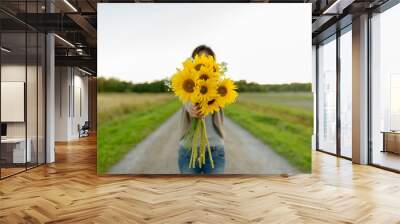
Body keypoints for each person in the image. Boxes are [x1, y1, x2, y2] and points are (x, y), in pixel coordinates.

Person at [178, 45, 225, 174]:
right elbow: (185, 100)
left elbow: (221, 101)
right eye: (200, 58)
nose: (203, 62)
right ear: (193, 62)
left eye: (207, 58)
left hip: (215, 148)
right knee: (190, 192)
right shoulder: (186, 82)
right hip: (188, 148)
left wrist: (208, 100)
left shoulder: (219, 84)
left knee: (215, 191)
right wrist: (190, 107)